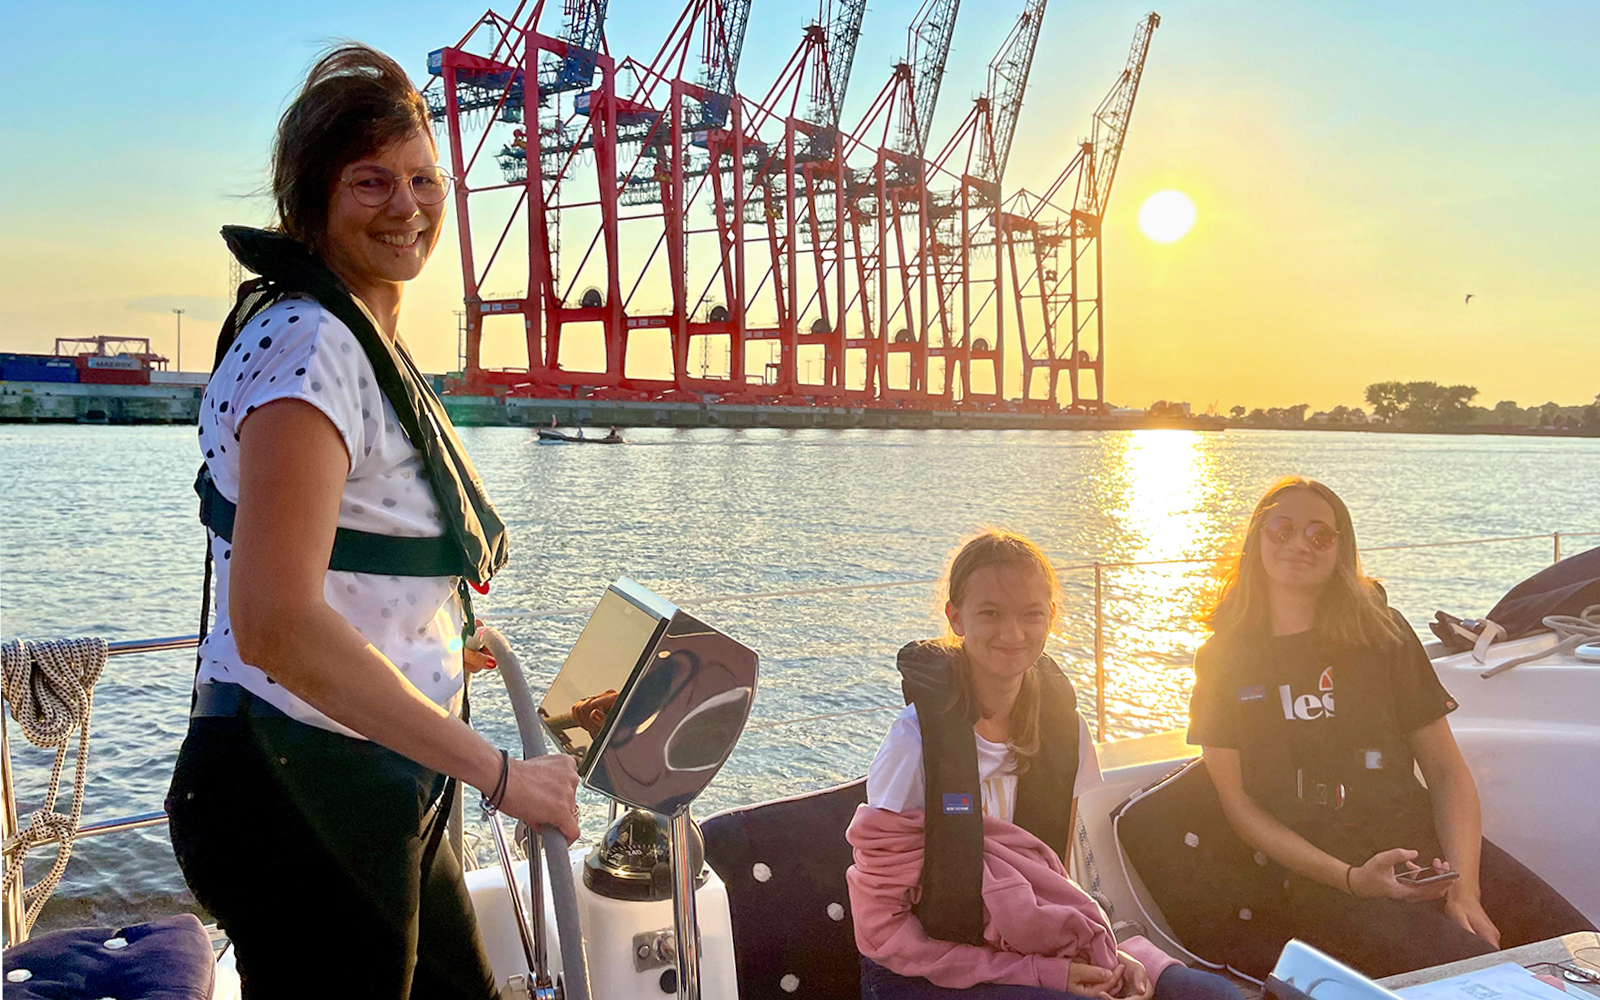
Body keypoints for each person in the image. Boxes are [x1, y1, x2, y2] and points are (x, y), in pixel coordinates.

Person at [164, 45, 579, 999]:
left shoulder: (349, 331)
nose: (407, 206)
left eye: (425, 180)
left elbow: (353, 546)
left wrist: (429, 632)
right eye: (371, 181)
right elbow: (276, 622)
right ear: (311, 201)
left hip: (367, 770)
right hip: (306, 784)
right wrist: (503, 776)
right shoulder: (312, 348)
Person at [1189, 476, 1594, 978]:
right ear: (1257, 540)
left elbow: (1445, 771)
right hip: (1324, 879)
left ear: (1341, 550)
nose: (1299, 544)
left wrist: (1464, 888)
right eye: (1281, 529)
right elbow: (1239, 805)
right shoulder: (1222, 659)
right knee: (1484, 981)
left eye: (1320, 535)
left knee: (1583, 953)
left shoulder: (1384, 634)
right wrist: (1352, 879)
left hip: (1430, 851)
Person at [849, 530, 1243, 1000]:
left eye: (1031, 614)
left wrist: (1105, 952)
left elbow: (1057, 883)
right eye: (991, 613)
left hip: (1035, 946)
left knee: (1213, 995)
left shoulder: (1065, 732)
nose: (1013, 634)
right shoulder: (914, 743)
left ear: (1052, 618)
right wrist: (1042, 974)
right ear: (956, 617)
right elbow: (882, 932)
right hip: (927, 969)